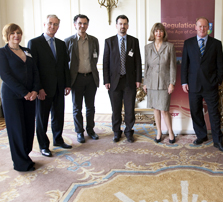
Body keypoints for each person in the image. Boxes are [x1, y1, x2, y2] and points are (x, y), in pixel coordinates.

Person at [181, 17, 223, 152]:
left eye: (205, 26)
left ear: (209, 28)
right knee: (196, 112)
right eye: (200, 26)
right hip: (193, 85)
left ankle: (218, 141)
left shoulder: (216, 44)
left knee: (214, 113)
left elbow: (220, 65)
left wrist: (218, 81)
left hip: (210, 86)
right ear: (195, 27)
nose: (202, 29)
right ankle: (201, 135)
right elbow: (185, 64)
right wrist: (184, 81)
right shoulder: (188, 43)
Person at [28, 15, 72, 157]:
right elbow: (33, 68)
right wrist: (38, 88)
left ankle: (58, 139)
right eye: (50, 23)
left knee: (58, 116)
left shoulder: (61, 43)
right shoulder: (34, 43)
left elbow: (65, 65)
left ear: (58, 26)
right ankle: (43, 146)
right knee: (42, 118)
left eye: (56, 24)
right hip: (43, 89)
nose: (52, 26)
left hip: (59, 87)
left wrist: (67, 84)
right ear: (44, 24)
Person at [0, 24, 39, 171]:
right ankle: (21, 163)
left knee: (29, 127)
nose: (16, 35)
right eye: (12, 33)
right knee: (16, 129)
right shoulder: (2, 53)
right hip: (12, 96)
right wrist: (24, 92)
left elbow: (35, 72)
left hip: (29, 96)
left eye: (18, 33)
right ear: (7, 35)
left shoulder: (27, 51)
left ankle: (26, 155)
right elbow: (5, 76)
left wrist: (35, 90)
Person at [103, 15, 142, 143]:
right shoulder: (109, 41)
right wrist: (106, 80)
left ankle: (129, 131)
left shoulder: (133, 41)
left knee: (130, 108)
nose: (122, 26)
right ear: (116, 25)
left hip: (129, 81)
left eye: (125, 24)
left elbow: (138, 61)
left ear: (128, 26)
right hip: (114, 82)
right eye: (120, 24)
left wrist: (138, 79)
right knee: (116, 109)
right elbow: (105, 62)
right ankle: (116, 131)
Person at [64, 14, 100, 143]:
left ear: (88, 25)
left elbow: (96, 57)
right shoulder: (68, 41)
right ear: (75, 25)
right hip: (76, 79)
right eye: (80, 23)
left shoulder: (94, 40)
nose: (82, 26)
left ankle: (90, 130)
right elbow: (65, 62)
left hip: (91, 78)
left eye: (85, 23)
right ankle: (79, 132)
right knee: (77, 107)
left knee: (90, 107)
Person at [143, 23, 176, 144]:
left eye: (160, 31)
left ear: (164, 33)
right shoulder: (147, 47)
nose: (158, 33)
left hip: (164, 83)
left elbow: (173, 67)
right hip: (151, 83)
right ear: (153, 33)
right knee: (155, 109)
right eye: (156, 31)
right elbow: (146, 67)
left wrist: (172, 83)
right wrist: (145, 83)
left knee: (164, 110)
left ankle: (171, 132)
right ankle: (159, 132)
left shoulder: (170, 47)